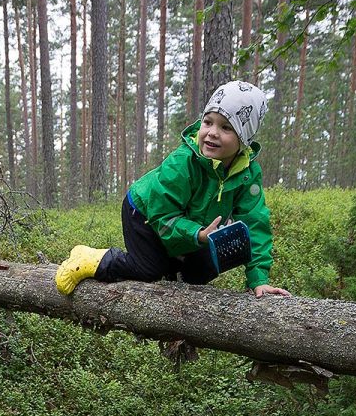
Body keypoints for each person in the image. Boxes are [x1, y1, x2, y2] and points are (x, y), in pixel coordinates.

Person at [55, 81, 291, 299]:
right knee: (148, 269)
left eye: (226, 127)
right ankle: (90, 259)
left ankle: (175, 276)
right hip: (145, 213)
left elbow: (255, 225)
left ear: (244, 138)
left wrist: (258, 279)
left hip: (191, 225)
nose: (212, 132)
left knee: (213, 262)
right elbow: (162, 216)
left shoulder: (248, 173)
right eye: (208, 122)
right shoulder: (182, 163)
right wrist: (196, 234)